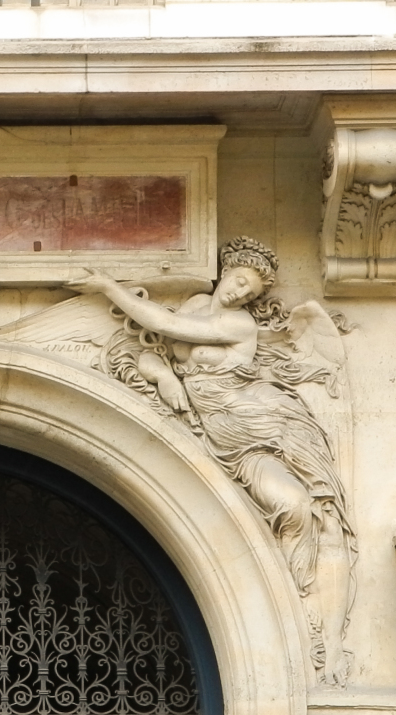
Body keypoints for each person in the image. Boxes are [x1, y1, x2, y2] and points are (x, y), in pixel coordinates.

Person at [67, 237, 356, 686]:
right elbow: (150, 349)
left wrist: (109, 286)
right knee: (293, 506)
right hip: (222, 433)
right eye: (241, 281)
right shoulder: (196, 301)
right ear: (226, 271)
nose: (242, 293)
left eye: (253, 293)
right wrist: (163, 374)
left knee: (300, 506)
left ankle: (316, 629)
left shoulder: (238, 324)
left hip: (263, 424)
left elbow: (160, 322)